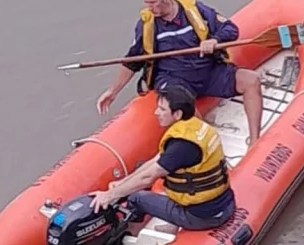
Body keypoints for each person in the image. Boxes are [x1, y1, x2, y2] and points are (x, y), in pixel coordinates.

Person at [96, 0, 264, 145]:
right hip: (174, 78)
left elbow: (230, 29)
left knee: (251, 80)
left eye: (153, 3)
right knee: (182, 105)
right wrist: (113, 91)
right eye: (147, 3)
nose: (149, 8)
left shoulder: (195, 10)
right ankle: (211, 145)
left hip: (207, 71)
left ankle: (255, 140)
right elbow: (133, 60)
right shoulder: (147, 25)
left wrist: (215, 41)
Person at [89, 83, 236, 234]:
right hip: (224, 204)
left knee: (136, 198)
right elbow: (155, 162)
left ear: (177, 114)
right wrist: (123, 183)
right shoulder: (194, 127)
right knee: (172, 181)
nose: (156, 112)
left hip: (203, 216)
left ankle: (130, 238)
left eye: (162, 109)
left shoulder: (181, 146)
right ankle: (173, 224)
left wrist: (110, 195)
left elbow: (147, 177)